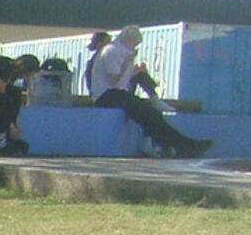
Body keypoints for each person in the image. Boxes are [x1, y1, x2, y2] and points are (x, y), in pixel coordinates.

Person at [86, 27, 209, 156]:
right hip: (107, 95)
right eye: (134, 44)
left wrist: (133, 70)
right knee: (145, 111)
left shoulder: (117, 52)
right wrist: (127, 63)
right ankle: (182, 144)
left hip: (115, 93)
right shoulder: (112, 52)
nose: (134, 48)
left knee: (150, 112)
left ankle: (170, 144)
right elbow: (113, 81)